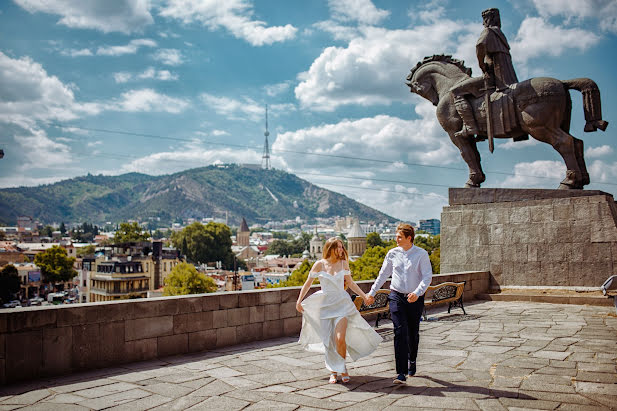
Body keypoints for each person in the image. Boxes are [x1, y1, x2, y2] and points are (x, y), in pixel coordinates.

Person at [296, 237, 382, 384]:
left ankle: (342, 368)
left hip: (342, 305)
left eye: (342, 247)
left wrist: (364, 296)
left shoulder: (343, 264)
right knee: (329, 342)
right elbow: (307, 284)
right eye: (339, 247)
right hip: (325, 307)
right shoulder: (319, 265)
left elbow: (351, 283)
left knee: (340, 338)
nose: (341, 250)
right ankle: (333, 372)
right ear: (330, 248)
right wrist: (299, 300)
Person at [365, 223, 432, 384]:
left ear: (409, 238)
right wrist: (371, 293)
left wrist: (417, 293)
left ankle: (412, 359)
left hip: (415, 298)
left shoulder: (421, 254)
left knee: (412, 333)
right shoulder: (392, 253)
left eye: (400, 236)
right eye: (396, 236)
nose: (396, 239)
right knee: (400, 332)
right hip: (396, 296)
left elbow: (427, 277)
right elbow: (383, 275)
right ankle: (401, 373)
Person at [450, 7, 519, 138]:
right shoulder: (500, 33)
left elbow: (480, 46)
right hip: (508, 75)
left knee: (456, 91)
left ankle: (470, 127)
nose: (483, 23)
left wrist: (481, 64)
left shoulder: (488, 31)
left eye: (484, 20)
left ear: (488, 19)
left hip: (494, 75)